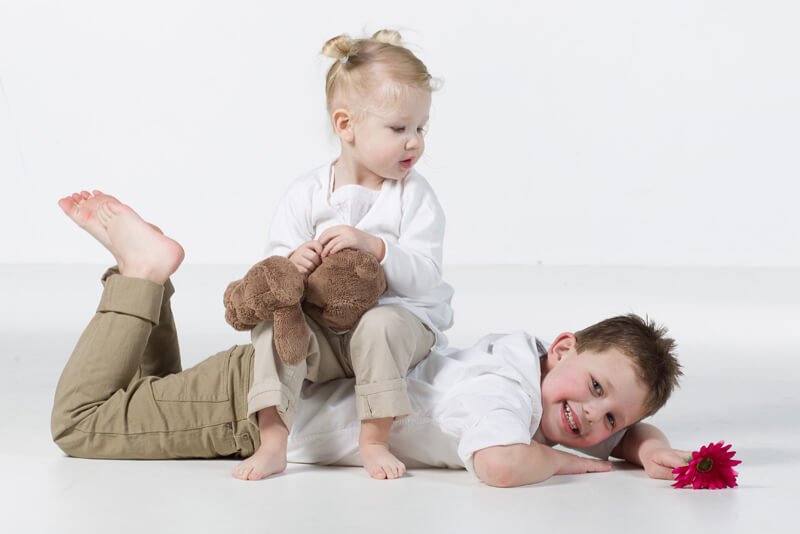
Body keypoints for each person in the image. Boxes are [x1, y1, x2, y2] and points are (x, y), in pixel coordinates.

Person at [52, 191, 689, 487]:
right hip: (248, 414)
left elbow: (581, 417)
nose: (590, 416)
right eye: (596, 388)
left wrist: (643, 442)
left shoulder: (514, 359)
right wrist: (566, 462)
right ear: (562, 348)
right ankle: (142, 273)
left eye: (611, 417)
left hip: (279, 377)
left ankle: (150, 279)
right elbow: (499, 464)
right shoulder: (503, 397)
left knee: (145, 394)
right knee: (82, 425)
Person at [239, 30, 453, 481]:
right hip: (329, 338)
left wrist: (378, 248)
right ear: (346, 125)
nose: (414, 142)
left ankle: (374, 439)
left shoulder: (412, 196)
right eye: (399, 129)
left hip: (399, 332)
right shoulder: (306, 193)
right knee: (273, 326)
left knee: (381, 323)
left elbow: (428, 279)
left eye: (421, 128)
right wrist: (293, 259)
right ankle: (274, 441)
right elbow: (274, 262)